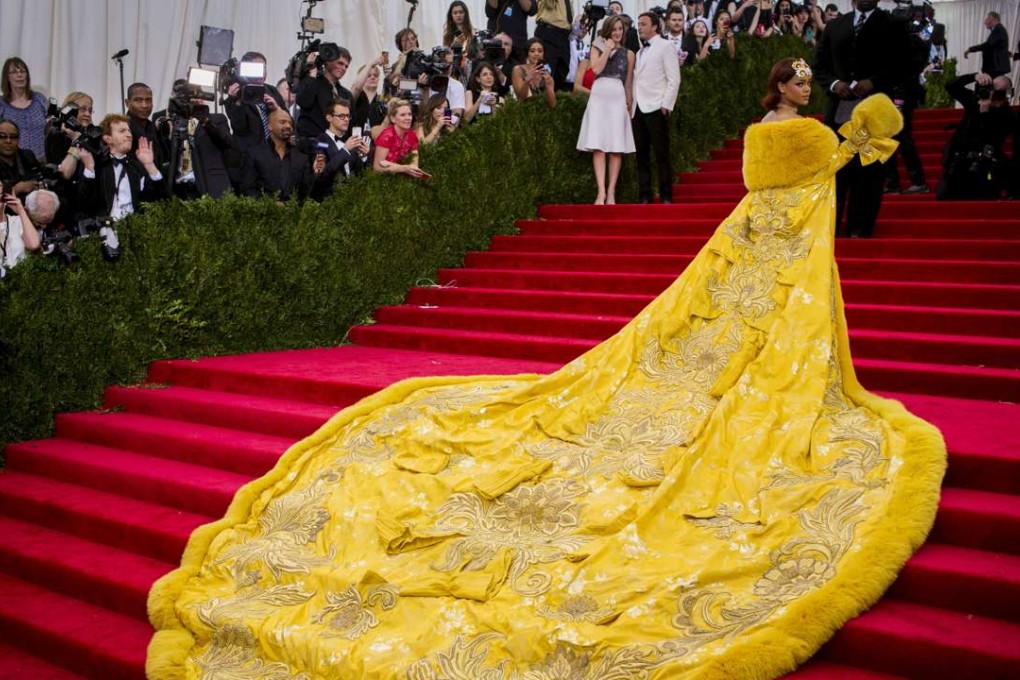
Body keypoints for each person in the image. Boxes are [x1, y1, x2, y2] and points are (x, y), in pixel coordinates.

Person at [148, 57, 945, 680]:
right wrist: (867, 135)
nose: (804, 82)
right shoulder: (801, 135)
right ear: (784, 85)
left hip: (755, 236)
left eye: (807, 76)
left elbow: (769, 188)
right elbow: (819, 176)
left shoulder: (755, 134)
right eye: (797, 76)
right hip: (780, 244)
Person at [813, 0, 912, 238]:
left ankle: (861, 227)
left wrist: (874, 82)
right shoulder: (835, 26)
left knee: (869, 173)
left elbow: (906, 64)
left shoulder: (893, 24)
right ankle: (832, 228)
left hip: (875, 112)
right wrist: (835, 85)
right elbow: (819, 66)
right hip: (839, 112)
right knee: (837, 172)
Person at [577, 15, 636, 205]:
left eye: (620, 29)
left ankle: (611, 192)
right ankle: (601, 192)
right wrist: (607, 48)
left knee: (616, 147)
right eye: (614, 29)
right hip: (599, 96)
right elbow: (595, 70)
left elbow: (628, 83)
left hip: (617, 98)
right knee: (598, 146)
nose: (618, 32)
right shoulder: (597, 47)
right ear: (608, 31)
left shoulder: (629, 54)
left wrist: (629, 104)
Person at [937, 72, 1015, 201]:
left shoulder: (1008, 114)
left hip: (987, 163)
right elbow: (950, 86)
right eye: (993, 90)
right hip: (961, 158)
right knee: (945, 195)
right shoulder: (974, 101)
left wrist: (985, 113)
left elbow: (992, 138)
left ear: (1008, 94)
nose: (995, 97)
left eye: (1000, 94)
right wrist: (974, 77)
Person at [78, 114, 168, 221]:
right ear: (108, 138)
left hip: (134, 227)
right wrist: (89, 167)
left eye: (129, 131)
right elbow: (84, 202)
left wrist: (150, 165)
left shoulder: (137, 167)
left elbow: (160, 198)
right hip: (105, 228)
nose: (128, 135)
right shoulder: (97, 165)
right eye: (122, 131)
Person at [632, 11, 681, 204]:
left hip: (657, 107)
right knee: (641, 154)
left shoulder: (666, 46)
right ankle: (645, 195)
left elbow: (674, 79)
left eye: (643, 24)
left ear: (654, 26)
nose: (639, 27)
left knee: (661, 153)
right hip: (638, 108)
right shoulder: (639, 51)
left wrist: (666, 105)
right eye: (638, 24)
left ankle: (666, 194)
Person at [241, 109, 328, 202]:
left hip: (293, 214)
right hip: (263, 213)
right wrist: (270, 204)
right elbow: (247, 189)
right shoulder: (254, 153)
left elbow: (306, 194)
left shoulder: (301, 158)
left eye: (290, 123)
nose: (288, 126)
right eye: (282, 122)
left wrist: (316, 174)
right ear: (269, 126)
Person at [223, 52, 287, 155]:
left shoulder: (272, 90)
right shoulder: (238, 93)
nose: (262, 72)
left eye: (264, 68)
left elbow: (289, 122)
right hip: (249, 156)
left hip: (275, 153)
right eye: (257, 69)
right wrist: (237, 102)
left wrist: (277, 109)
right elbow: (240, 129)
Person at [297, 43, 354, 139]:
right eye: (340, 63)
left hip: (338, 148)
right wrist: (311, 72)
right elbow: (303, 101)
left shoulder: (346, 94)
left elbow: (351, 124)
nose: (343, 68)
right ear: (327, 61)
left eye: (346, 66)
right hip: (313, 146)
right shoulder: (312, 82)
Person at [0, 58, 49, 161]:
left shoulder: (39, 99)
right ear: (7, 77)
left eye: (22, 71)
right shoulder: (2, 104)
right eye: (14, 72)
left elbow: (51, 127)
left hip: (41, 161)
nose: (19, 75)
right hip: (13, 163)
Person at [373, 99, 428, 179]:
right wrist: (404, 168)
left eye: (409, 114)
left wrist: (393, 165)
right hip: (382, 179)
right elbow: (377, 167)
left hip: (402, 179)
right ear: (392, 119)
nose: (408, 118)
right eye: (403, 115)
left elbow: (414, 165)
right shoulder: (387, 135)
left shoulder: (412, 135)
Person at [317, 99, 368, 185]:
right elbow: (323, 173)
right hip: (330, 195)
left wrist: (363, 156)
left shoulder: (350, 141)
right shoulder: (320, 141)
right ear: (329, 118)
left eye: (348, 116)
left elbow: (360, 175)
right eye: (341, 116)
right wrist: (345, 150)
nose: (346, 119)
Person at [123, 83, 169, 175]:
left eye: (148, 100)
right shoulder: (122, 128)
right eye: (138, 100)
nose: (144, 105)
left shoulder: (152, 127)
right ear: (127, 103)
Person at [0, 180, 40, 278]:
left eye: (1, 187)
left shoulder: (18, 221)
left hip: (26, 280)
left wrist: (21, 211)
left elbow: (34, 245)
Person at [535, 0, 574, 91]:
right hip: (549, 32)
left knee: (562, 70)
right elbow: (549, 4)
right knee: (546, 70)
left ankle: (554, 97)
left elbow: (567, 21)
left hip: (564, 37)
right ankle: (541, 98)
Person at [0, 119, 41, 201]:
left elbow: (38, 179)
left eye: (13, 137)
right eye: (3, 136)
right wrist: (17, 189)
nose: (8, 141)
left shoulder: (27, 156)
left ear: (19, 139)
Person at [512, 39, 558, 109]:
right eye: (532, 51)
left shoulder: (547, 74)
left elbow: (553, 105)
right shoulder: (518, 69)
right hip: (523, 113)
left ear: (544, 53)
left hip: (542, 114)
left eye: (540, 51)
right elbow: (521, 98)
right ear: (527, 53)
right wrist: (527, 81)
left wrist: (548, 85)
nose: (536, 54)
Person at [964, 11, 1010, 78]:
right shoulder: (999, 29)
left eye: (988, 19)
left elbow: (987, 45)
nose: (985, 22)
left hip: (995, 67)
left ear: (994, 19)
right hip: (996, 67)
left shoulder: (998, 30)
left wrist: (970, 49)